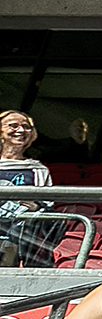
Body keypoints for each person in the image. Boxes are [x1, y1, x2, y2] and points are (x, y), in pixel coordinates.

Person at [0, 110, 53, 268]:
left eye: (26, 127)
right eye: (13, 126)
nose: (21, 130)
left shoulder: (37, 169)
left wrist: (36, 206)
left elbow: (47, 205)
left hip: (15, 235)